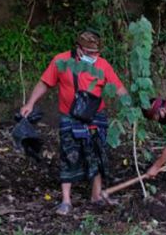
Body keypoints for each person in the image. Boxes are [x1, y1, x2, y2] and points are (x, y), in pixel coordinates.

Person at [20, 30, 128, 215]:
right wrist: (30, 103)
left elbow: (119, 88)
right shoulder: (61, 61)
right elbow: (45, 82)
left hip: (96, 115)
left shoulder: (102, 65)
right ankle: (66, 200)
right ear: (78, 49)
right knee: (69, 154)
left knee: (98, 153)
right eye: (89, 53)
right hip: (70, 116)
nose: (94, 56)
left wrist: (130, 108)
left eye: (96, 53)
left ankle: (96, 196)